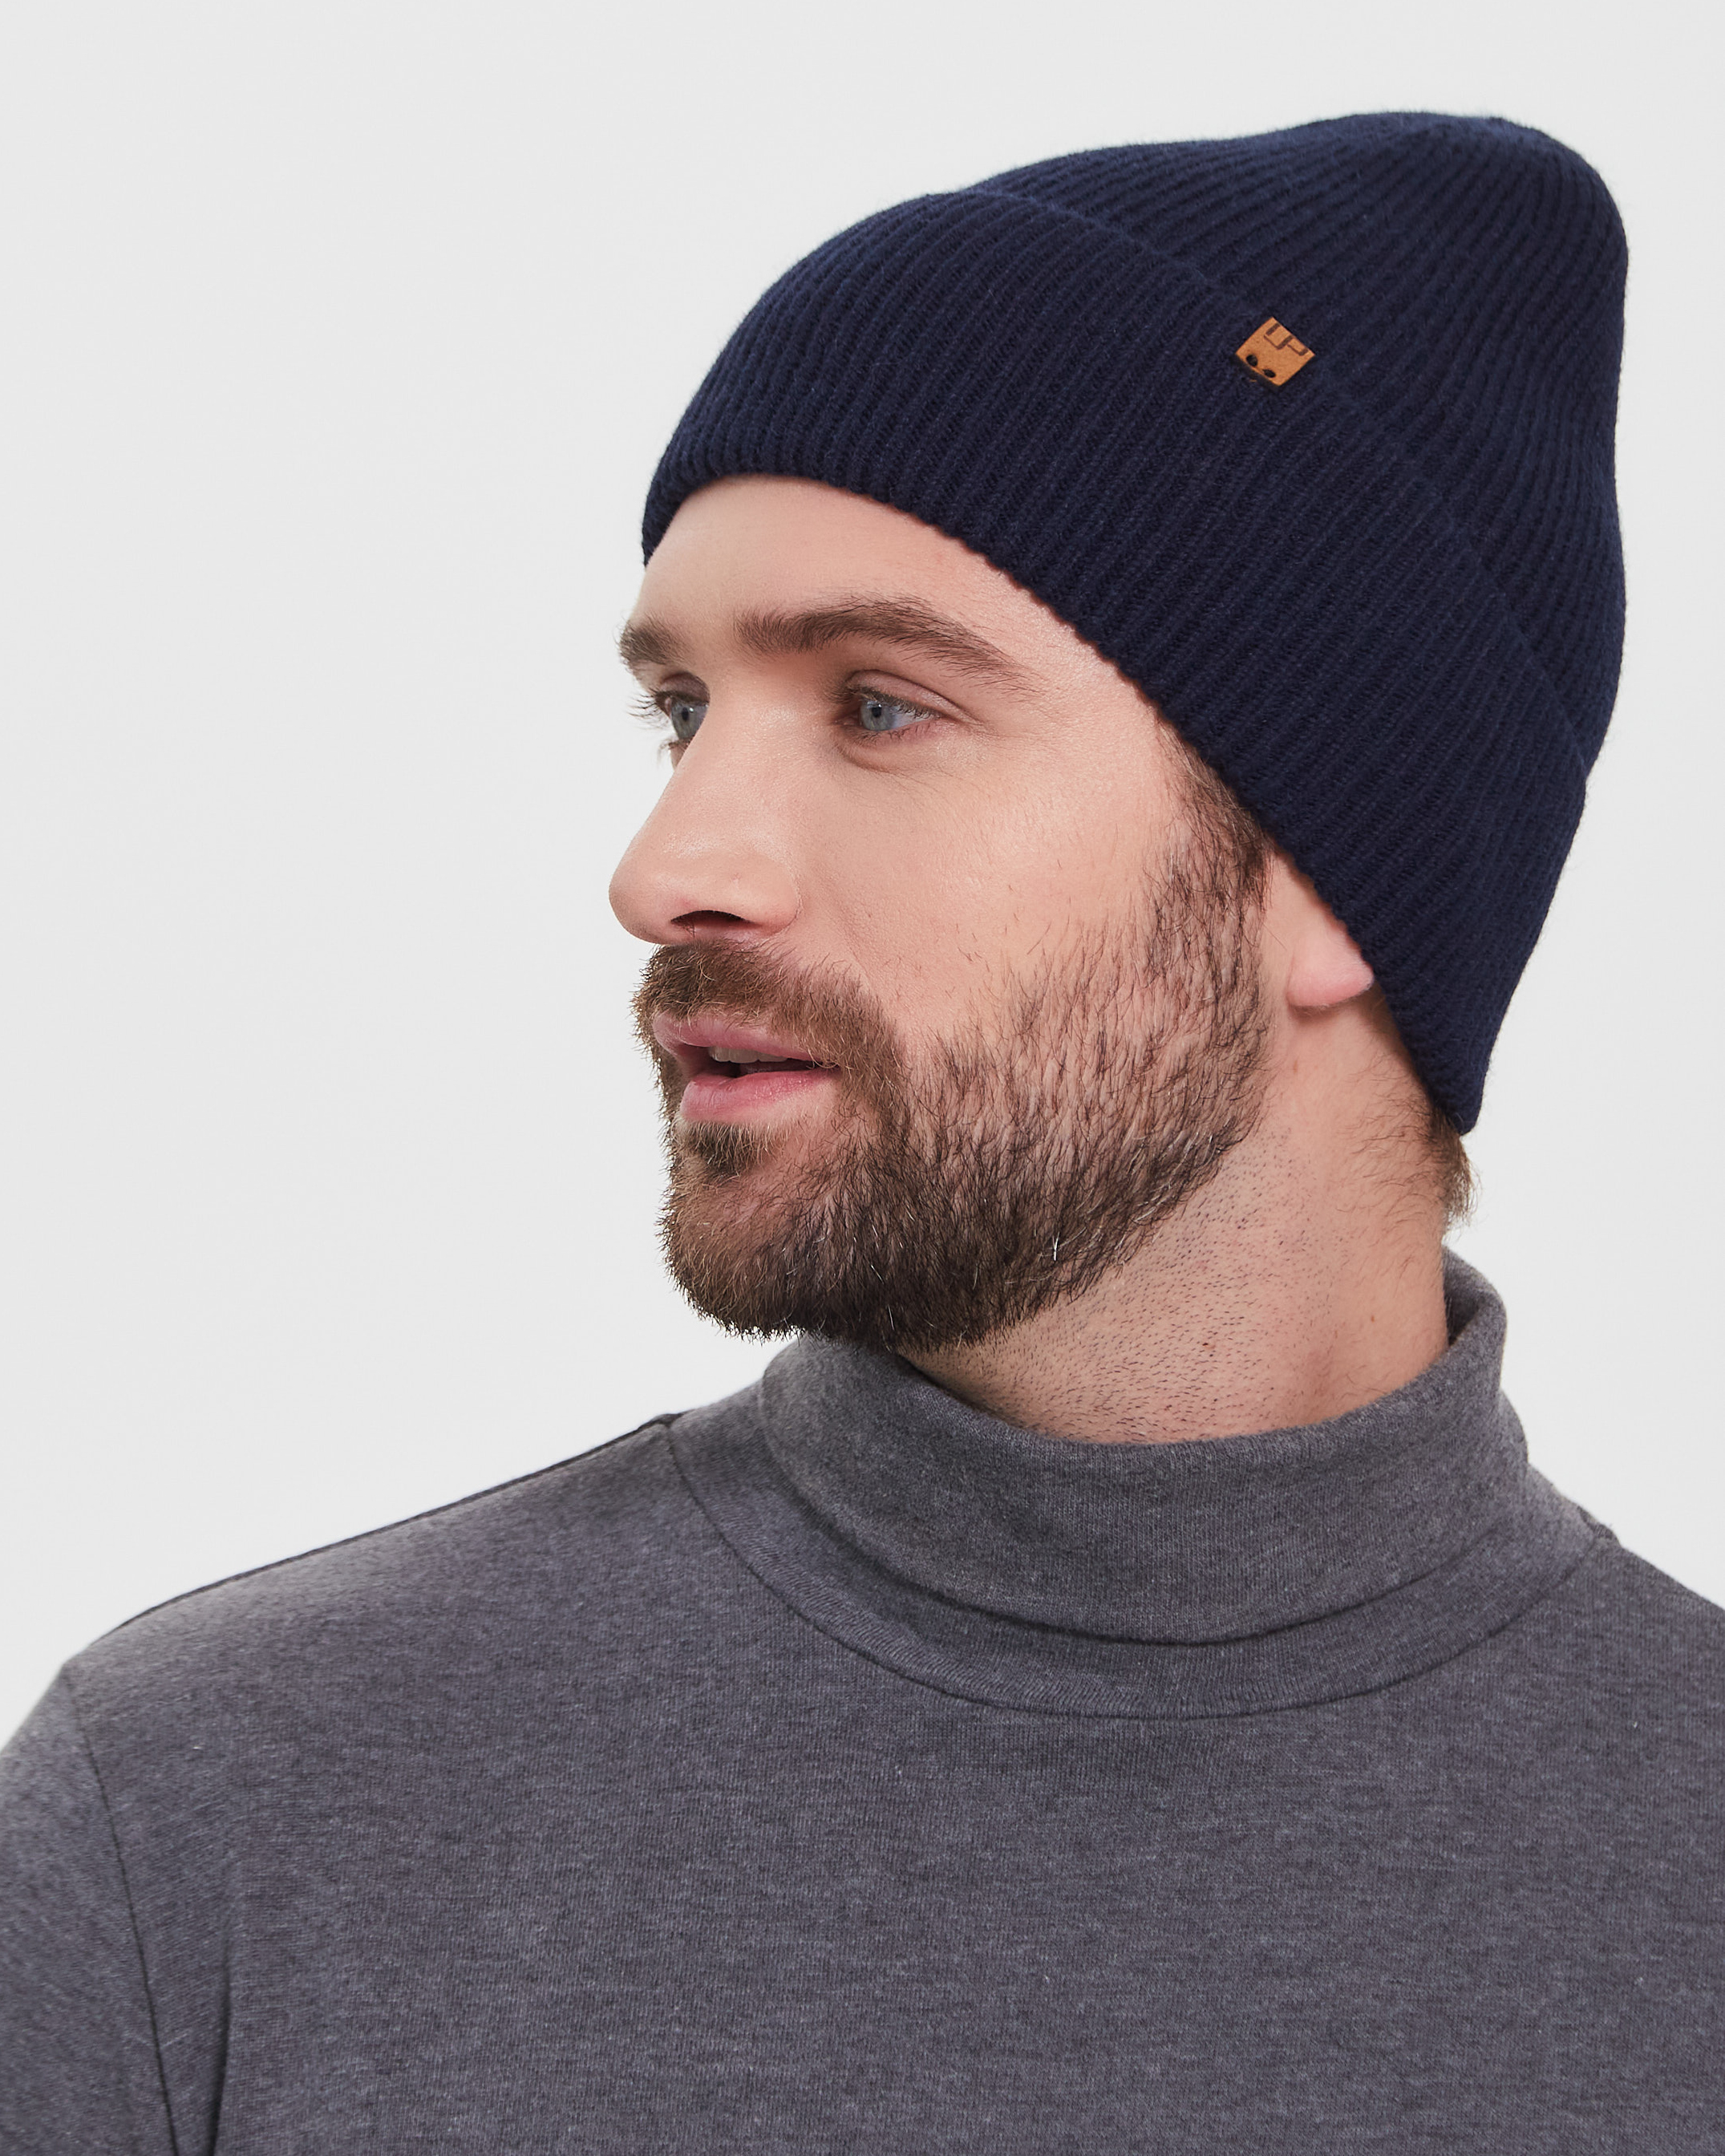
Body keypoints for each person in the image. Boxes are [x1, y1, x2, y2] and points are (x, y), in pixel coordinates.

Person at [2, 111, 1720, 2151]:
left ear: (1338, 870)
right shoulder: (205, 1829)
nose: (667, 869)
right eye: (680, 713)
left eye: (880, 706)